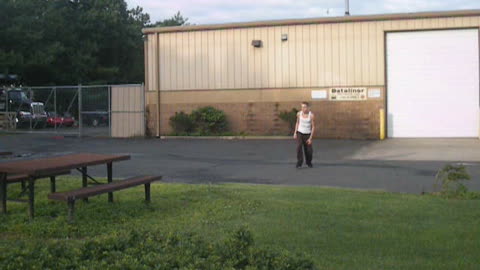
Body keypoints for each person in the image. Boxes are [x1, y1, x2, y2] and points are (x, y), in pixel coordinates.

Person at [293, 102, 315, 168]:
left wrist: (310, 138)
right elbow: (297, 123)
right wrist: (295, 132)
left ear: (308, 108)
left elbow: (313, 126)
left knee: (309, 150)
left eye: (304, 107)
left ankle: (309, 162)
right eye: (302, 107)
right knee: (299, 146)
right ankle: (299, 162)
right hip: (300, 132)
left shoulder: (311, 115)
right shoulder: (299, 114)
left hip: (307, 134)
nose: (303, 108)